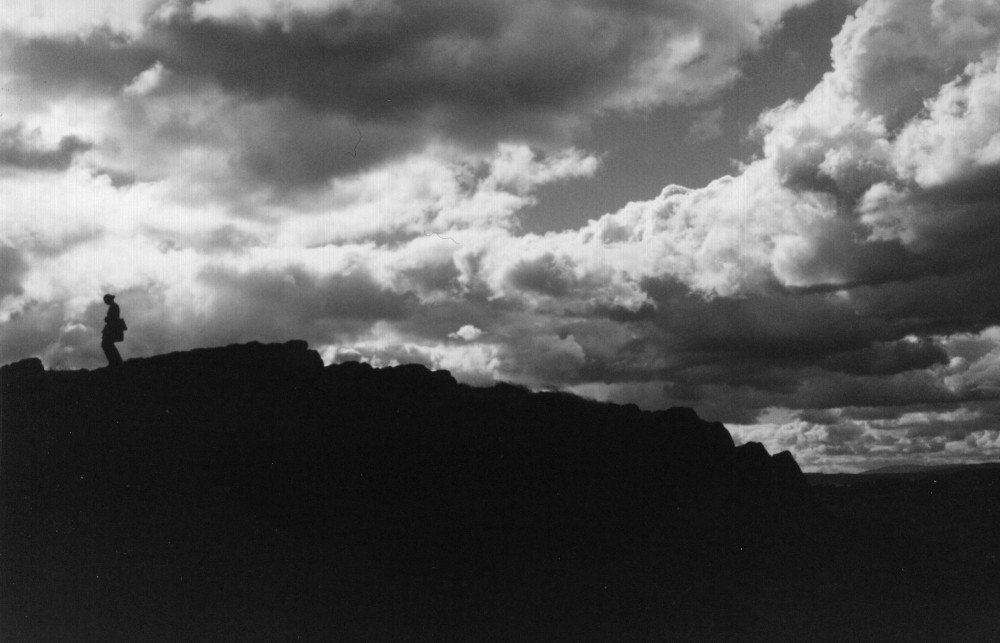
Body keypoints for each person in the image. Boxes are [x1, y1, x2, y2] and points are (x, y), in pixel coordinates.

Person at [101, 293, 126, 367]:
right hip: (112, 328)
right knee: (107, 344)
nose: (105, 302)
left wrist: (107, 319)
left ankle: (115, 361)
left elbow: (113, 318)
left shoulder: (114, 306)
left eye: (105, 300)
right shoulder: (114, 306)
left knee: (106, 344)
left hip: (112, 328)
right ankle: (115, 361)